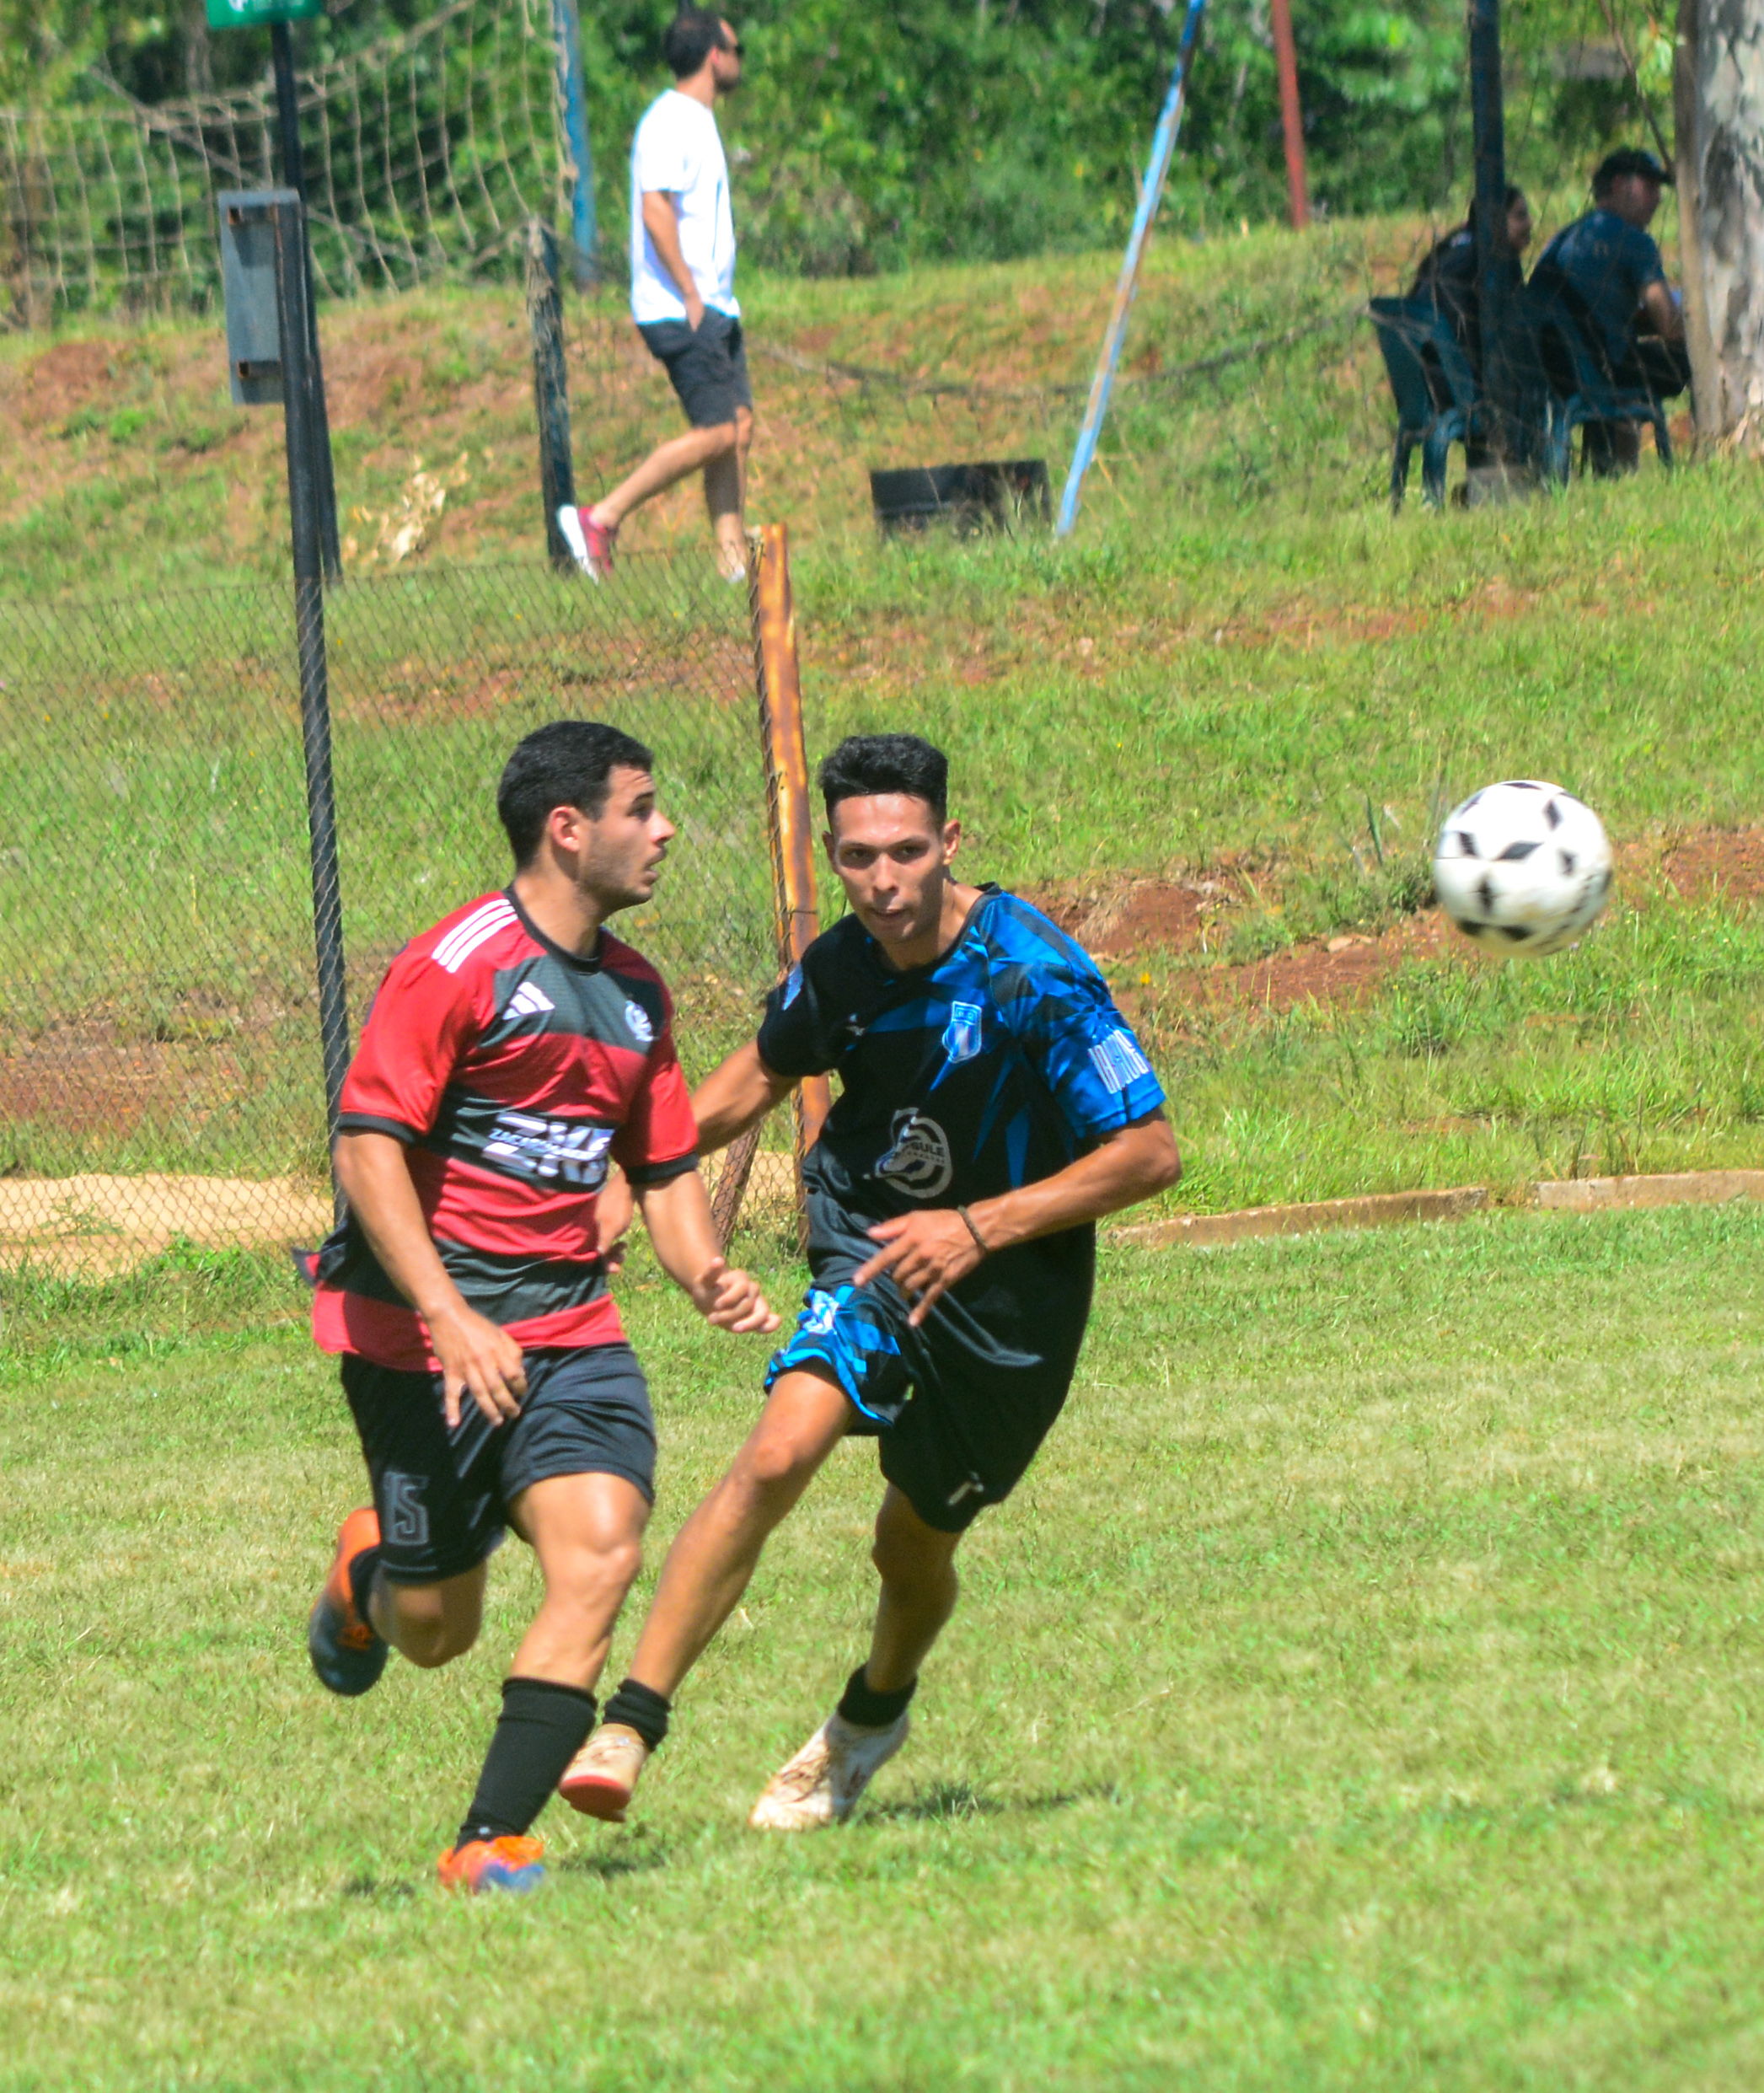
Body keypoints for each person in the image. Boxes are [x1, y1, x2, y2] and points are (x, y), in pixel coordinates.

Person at [555, 733, 1181, 1833]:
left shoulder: (1032, 972)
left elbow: (1148, 1152)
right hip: (874, 1249)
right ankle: (628, 1724)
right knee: (777, 1449)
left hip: (1013, 1299)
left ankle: (870, 1713)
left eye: (905, 852)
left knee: (910, 1542)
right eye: (856, 858)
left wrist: (978, 1225)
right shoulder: (840, 966)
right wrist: (628, 1170)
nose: (882, 882)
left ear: (949, 841)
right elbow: (756, 1077)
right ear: (831, 855)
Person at [303, 720, 777, 1895]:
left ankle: (487, 1841)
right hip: (419, 1340)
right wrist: (448, 1313)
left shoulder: (637, 993)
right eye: (641, 808)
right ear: (568, 828)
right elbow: (365, 1148)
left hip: (571, 1330)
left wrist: (701, 1269)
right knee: (434, 1629)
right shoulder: (457, 964)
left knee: (602, 1550)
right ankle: (368, 1572)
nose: (665, 829)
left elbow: (661, 1163)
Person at [558, 9, 751, 584]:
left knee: (737, 429)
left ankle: (733, 565)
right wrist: (690, 292)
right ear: (714, 56)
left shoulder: (697, 119)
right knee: (717, 432)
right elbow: (654, 209)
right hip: (680, 307)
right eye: (737, 48)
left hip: (714, 304)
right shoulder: (669, 122)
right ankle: (600, 517)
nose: (740, 59)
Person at [1527, 147, 1690, 470]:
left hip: (1551, 369)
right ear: (1618, 185)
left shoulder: (1564, 237)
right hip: (1601, 369)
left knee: (1623, 351)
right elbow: (1669, 326)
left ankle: (1610, 466)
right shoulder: (1635, 242)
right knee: (1686, 360)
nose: (1658, 199)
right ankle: (1632, 467)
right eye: (1650, 187)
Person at [1409, 184, 1533, 379]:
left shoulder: (1461, 245)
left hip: (1431, 371)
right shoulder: (1484, 261)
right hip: (1455, 378)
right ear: (1495, 222)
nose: (1530, 223)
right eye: (1520, 216)